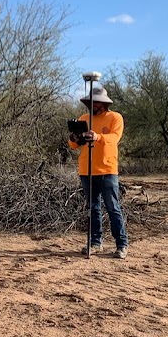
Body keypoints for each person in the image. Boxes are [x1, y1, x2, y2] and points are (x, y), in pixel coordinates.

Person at [68, 86, 129, 258]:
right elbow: (74, 145)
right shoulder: (84, 118)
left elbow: (114, 138)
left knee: (113, 207)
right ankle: (95, 243)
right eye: (91, 102)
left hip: (107, 170)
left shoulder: (115, 117)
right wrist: (74, 138)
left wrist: (97, 137)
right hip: (86, 170)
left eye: (97, 103)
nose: (93, 105)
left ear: (104, 103)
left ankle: (122, 244)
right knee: (93, 208)